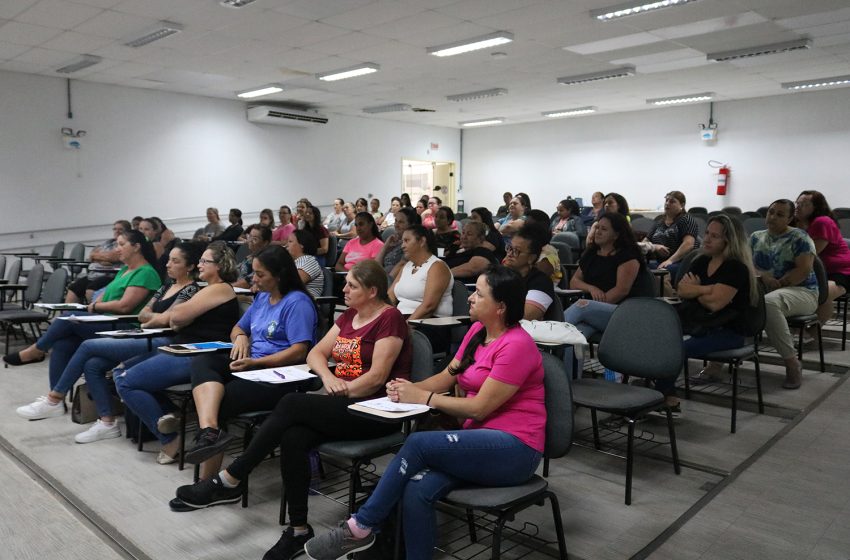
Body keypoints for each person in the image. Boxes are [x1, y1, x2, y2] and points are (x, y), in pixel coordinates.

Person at [172, 260, 411, 560]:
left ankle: (232, 478)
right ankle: (298, 530)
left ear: (373, 291)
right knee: (294, 437)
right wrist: (329, 379)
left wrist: (340, 389)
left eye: (352, 285)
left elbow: (376, 378)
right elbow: (315, 353)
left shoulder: (390, 318)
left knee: (292, 403)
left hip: (375, 410)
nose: (344, 289)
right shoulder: (350, 315)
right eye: (346, 283)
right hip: (342, 401)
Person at [304, 265, 545, 560]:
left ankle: (360, 527)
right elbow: (447, 377)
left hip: (515, 449)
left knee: (418, 443)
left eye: (479, 294)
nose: (469, 298)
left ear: (501, 307)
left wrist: (425, 397)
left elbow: (480, 407)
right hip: (477, 442)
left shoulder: (517, 345)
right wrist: (408, 390)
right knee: (417, 489)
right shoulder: (477, 331)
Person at [13, 242, 201, 443]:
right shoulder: (166, 286)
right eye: (169, 259)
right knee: (92, 364)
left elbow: (171, 320)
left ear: (190, 267)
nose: (168, 264)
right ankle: (107, 422)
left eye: (175, 261)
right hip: (143, 334)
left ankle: (54, 398)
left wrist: (153, 318)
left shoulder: (191, 290)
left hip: (161, 341)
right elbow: (144, 314)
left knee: (86, 345)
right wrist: (153, 318)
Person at [179, 245, 319, 478]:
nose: (254, 279)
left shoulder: (298, 302)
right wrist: (241, 337)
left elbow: (299, 351)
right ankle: (210, 432)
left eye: (260, 274)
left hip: (280, 375)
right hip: (252, 364)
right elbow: (237, 328)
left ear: (280, 275)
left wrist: (258, 364)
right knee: (204, 363)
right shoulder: (263, 297)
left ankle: (208, 479)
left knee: (219, 400)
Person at [114, 242, 239, 462]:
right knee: (119, 371)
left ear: (218, 266)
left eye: (204, 261)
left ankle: (170, 439)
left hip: (200, 356)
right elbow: (175, 318)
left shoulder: (220, 288)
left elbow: (177, 317)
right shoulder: (204, 290)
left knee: (126, 381)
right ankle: (169, 415)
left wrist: (178, 314)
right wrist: (177, 314)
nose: (199, 265)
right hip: (181, 348)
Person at [667, 214, 759, 412]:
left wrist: (698, 289)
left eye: (714, 236)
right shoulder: (700, 261)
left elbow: (715, 304)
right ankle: (660, 391)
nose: (706, 239)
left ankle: (667, 399)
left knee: (676, 349)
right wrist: (709, 289)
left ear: (729, 240)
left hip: (729, 332)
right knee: (659, 338)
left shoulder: (736, 268)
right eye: (707, 233)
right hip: (700, 324)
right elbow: (683, 289)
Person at [565, 212, 644, 375]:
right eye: (597, 228)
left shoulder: (628, 256)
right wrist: (591, 288)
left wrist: (592, 307)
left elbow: (622, 290)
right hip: (593, 313)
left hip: (622, 312)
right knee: (572, 337)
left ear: (616, 234)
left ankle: (547, 334)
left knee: (581, 306)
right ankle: (569, 382)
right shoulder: (592, 253)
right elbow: (574, 281)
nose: (598, 232)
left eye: (604, 229)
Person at [750, 199, 818, 389]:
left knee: (769, 304)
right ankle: (718, 361)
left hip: (802, 291)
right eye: (771, 212)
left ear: (790, 218)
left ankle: (792, 363)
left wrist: (778, 284)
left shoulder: (800, 237)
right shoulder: (756, 236)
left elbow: (803, 271)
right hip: (767, 289)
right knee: (733, 298)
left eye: (780, 214)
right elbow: (748, 265)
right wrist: (763, 277)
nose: (772, 217)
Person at [794, 190, 850, 325]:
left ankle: (813, 337)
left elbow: (811, 253)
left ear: (816, 208)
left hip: (841, 273)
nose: (798, 206)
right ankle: (803, 333)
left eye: (804, 204)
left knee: (822, 295)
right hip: (819, 272)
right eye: (797, 203)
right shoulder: (799, 224)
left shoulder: (822, 222)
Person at [389, 225, 453, 320]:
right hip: (401, 319)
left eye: (407, 240)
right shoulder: (407, 266)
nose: (402, 246)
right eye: (402, 241)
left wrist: (405, 327)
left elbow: (428, 307)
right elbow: (390, 298)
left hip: (427, 323)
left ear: (422, 241)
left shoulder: (437, 266)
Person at [65, 220, 130, 304]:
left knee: (91, 289)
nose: (117, 231)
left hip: (111, 276)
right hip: (95, 274)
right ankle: (69, 315)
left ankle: (93, 312)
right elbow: (91, 256)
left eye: (120, 229)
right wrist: (102, 258)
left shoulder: (124, 245)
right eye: (115, 229)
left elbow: (113, 257)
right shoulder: (108, 243)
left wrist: (98, 257)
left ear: (127, 231)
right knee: (73, 288)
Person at [502, 224, 554, 320]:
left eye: (516, 251)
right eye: (509, 248)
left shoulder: (541, 282)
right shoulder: (502, 275)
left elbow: (527, 317)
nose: (509, 254)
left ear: (531, 258)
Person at [643, 191, 701, 277]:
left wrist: (670, 260)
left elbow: (688, 244)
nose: (667, 203)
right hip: (660, 262)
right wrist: (655, 247)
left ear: (682, 205)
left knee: (661, 273)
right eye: (666, 200)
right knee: (639, 269)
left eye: (672, 201)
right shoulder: (659, 223)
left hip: (680, 262)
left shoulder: (686, 219)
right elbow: (644, 242)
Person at [377, 206, 420, 276]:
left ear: (411, 225)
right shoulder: (393, 242)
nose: (396, 225)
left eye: (401, 222)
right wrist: (385, 246)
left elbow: (399, 271)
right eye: (396, 221)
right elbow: (376, 265)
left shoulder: (412, 245)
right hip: (381, 277)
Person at [525, 209, 562, 285]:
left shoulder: (548, 252)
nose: (523, 231)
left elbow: (538, 280)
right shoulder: (523, 247)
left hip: (543, 291)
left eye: (528, 228)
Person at [286, 229, 325, 298]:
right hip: (291, 299)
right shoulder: (292, 262)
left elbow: (292, 284)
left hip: (303, 302)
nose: (286, 245)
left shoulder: (310, 261)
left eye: (290, 241)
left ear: (301, 245)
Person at [233, 224, 271, 289]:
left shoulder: (265, 260)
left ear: (265, 243)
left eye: (254, 239)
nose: (250, 240)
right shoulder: (250, 257)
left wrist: (227, 286)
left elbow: (248, 282)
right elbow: (235, 270)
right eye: (250, 237)